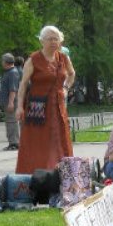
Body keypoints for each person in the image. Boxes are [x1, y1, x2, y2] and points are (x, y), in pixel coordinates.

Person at [15, 25, 76, 174]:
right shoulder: (33, 59)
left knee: (59, 138)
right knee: (39, 140)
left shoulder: (63, 58)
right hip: (38, 106)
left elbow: (71, 74)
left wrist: (66, 88)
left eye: (56, 39)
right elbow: (23, 84)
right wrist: (19, 107)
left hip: (58, 106)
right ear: (42, 41)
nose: (54, 42)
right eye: (50, 39)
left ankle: (61, 172)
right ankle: (35, 172)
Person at [0, 53, 20, 151]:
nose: (1, 63)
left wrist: (11, 102)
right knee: (10, 122)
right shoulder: (8, 72)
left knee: (12, 122)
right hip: (7, 102)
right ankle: (12, 142)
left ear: (6, 62)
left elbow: (13, 89)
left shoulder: (12, 72)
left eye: (2, 61)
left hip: (11, 102)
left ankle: (14, 143)